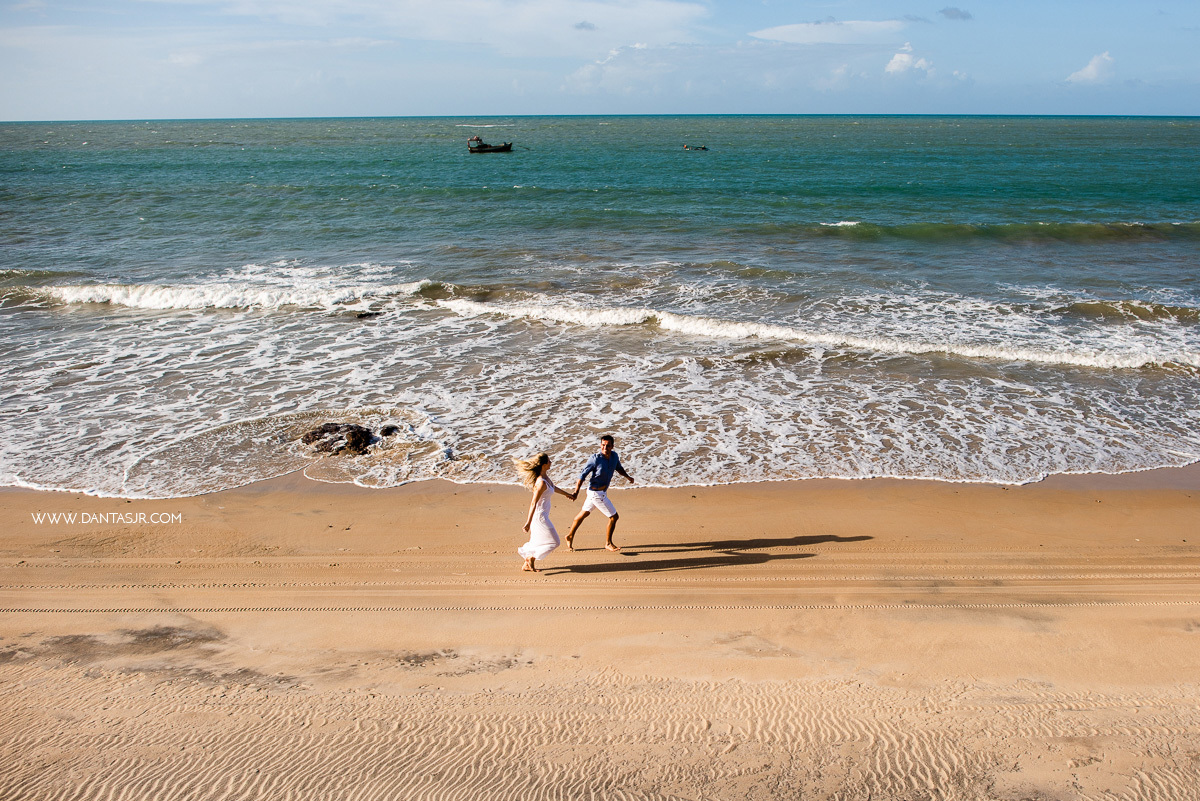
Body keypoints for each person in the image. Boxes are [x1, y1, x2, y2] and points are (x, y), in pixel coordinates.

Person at [565, 434, 634, 552]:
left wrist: (628, 477)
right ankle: (608, 543)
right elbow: (582, 475)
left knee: (583, 514)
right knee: (614, 517)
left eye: (608, 446)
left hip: (600, 493)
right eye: (603, 445)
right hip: (595, 493)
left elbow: (618, 468)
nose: (605, 448)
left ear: (612, 446)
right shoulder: (595, 459)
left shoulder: (614, 456)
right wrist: (576, 492)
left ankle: (570, 535)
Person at [514, 452, 575, 572]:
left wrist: (567, 494)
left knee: (537, 542)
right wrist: (528, 522)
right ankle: (530, 558)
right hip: (539, 518)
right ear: (543, 465)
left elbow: (553, 487)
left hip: (543, 516)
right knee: (555, 542)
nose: (551, 462)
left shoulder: (546, 479)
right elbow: (533, 503)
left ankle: (527, 564)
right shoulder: (541, 482)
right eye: (549, 461)